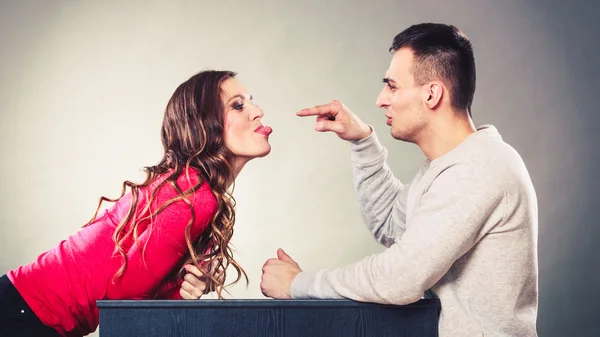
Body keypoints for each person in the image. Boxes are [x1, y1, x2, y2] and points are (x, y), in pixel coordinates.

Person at [258, 23, 539, 336]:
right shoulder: (450, 166)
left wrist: (299, 284)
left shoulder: (477, 169)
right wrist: (363, 142)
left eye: (392, 86)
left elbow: (400, 277)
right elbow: (392, 225)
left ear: (432, 94)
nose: (381, 99)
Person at [0, 69, 273, 337]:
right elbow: (124, 308)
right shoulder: (196, 195)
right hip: (24, 312)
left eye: (252, 100)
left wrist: (185, 287)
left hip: (24, 307)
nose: (257, 111)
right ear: (204, 125)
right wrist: (181, 289)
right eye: (238, 106)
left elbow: (131, 295)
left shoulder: (190, 187)